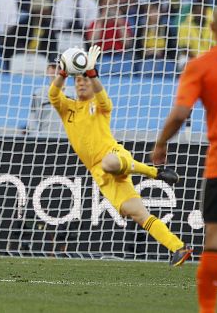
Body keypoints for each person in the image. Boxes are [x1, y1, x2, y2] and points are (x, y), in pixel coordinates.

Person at [49, 45, 192, 266]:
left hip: (114, 156)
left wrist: (91, 72)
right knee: (136, 213)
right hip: (101, 174)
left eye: (84, 80)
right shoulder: (68, 108)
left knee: (109, 162)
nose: (81, 83)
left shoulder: (100, 105)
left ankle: (154, 172)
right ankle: (178, 248)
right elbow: (53, 94)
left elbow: (102, 96)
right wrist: (63, 72)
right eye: (78, 81)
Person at [151, 4, 217, 313]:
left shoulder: (201, 65)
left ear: (211, 30)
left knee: (215, 237)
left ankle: (208, 310)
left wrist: (160, 144)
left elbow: (181, 114)